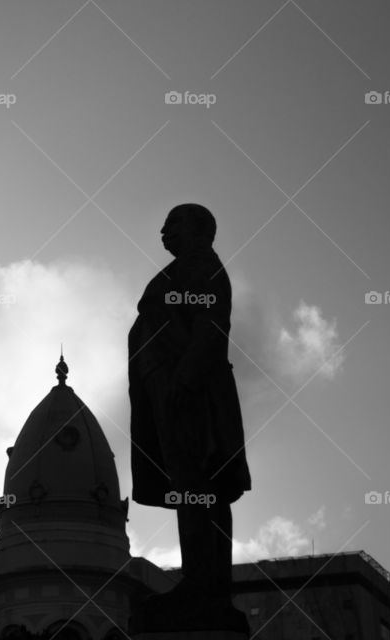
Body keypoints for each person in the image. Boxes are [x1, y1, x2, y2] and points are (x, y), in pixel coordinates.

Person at [128, 203, 251, 631]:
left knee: (201, 487)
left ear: (202, 231)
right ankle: (203, 580)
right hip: (167, 390)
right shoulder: (183, 272)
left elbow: (212, 327)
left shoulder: (201, 270)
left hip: (189, 393)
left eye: (174, 223)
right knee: (191, 488)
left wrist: (184, 379)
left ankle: (206, 584)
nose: (164, 231)